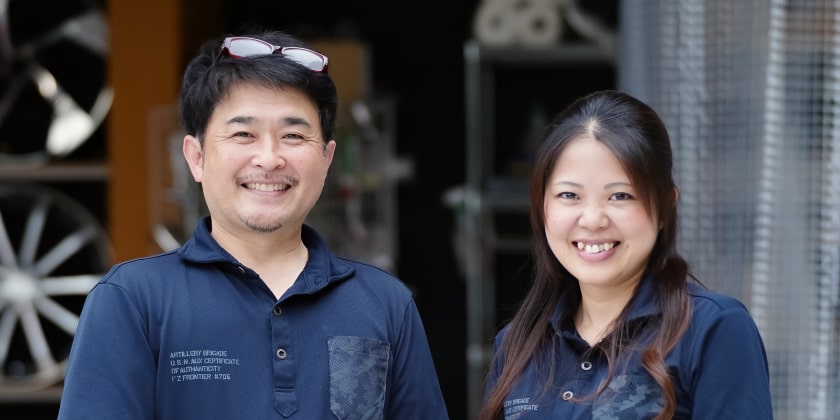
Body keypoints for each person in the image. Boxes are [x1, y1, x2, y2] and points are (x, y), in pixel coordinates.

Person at [57, 29, 449, 420]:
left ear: (327, 159)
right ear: (196, 157)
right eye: (243, 134)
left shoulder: (385, 304)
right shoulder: (132, 300)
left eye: (293, 135)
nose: (269, 158)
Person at [480, 90, 773, 419]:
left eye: (620, 195)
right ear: (541, 205)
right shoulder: (516, 345)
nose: (593, 220)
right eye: (569, 195)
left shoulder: (714, 329)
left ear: (665, 207)